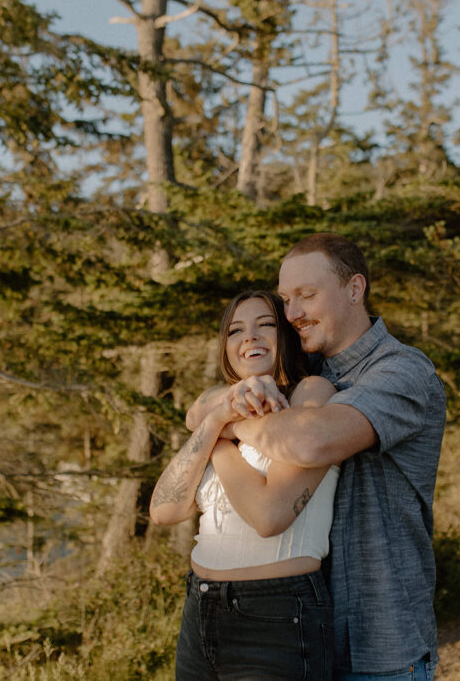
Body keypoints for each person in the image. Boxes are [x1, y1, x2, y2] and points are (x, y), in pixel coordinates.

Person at [186, 233, 446, 680]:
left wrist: (224, 423)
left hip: (380, 643)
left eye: (307, 296)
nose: (293, 314)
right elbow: (200, 404)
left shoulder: (402, 371)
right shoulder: (309, 373)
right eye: (287, 300)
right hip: (302, 636)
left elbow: (310, 443)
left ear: (354, 288)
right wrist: (218, 404)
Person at [150, 289, 339, 680]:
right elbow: (164, 510)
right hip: (200, 610)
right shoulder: (217, 405)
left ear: (285, 335)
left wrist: (219, 436)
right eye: (235, 330)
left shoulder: (311, 395)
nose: (249, 337)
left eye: (265, 325)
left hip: (277, 616)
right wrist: (218, 418)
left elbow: (269, 516)